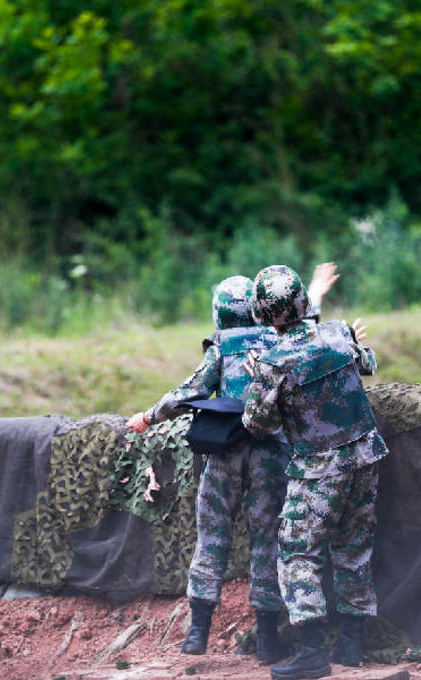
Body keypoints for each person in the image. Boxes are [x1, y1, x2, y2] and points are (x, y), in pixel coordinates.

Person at [126, 264, 340, 664]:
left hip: (225, 452)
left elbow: (190, 391)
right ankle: (266, 642)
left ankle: (196, 633)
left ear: (219, 312)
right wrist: (315, 291)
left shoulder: (223, 344)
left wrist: (148, 416)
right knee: (265, 544)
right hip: (271, 455)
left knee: (211, 538)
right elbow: (306, 322)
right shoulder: (280, 335)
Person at [241, 264, 387, 680]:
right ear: (304, 300)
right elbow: (369, 363)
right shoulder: (338, 331)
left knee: (296, 551)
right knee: (353, 546)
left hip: (319, 467)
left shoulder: (272, 362)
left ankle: (311, 652)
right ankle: (352, 646)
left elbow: (257, 425)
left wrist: (257, 378)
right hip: (365, 452)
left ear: (262, 313)